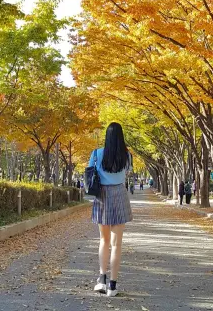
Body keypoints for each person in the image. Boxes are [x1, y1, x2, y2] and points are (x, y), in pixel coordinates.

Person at [88, 122, 133, 298]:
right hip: (120, 194)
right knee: (117, 244)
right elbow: (126, 172)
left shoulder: (97, 154)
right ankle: (113, 286)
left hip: (102, 196)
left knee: (103, 241)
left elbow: (89, 171)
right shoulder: (127, 156)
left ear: (107, 136)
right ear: (121, 137)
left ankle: (101, 280)